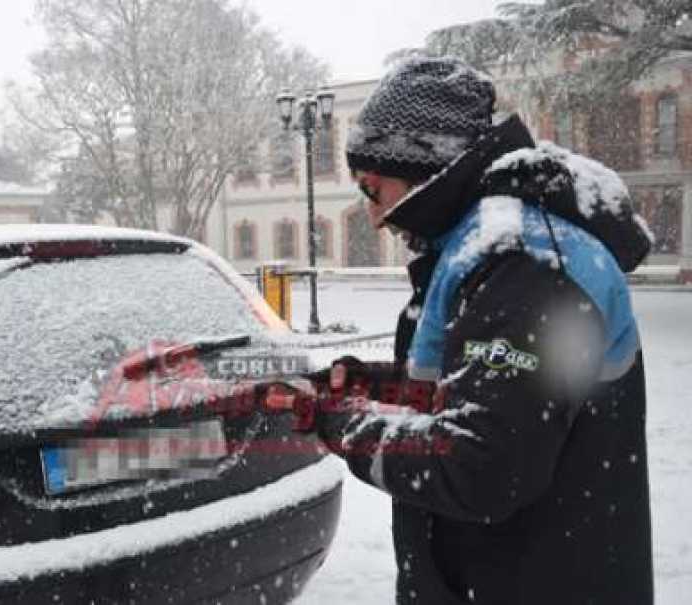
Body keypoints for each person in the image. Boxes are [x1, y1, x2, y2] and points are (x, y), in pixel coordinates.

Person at [272, 57, 655, 604]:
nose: (376, 217)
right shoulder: (481, 246)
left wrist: (340, 423)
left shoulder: (529, 259)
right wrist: (363, 387)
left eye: (373, 190)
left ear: (425, 166)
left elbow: (480, 466)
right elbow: (471, 387)